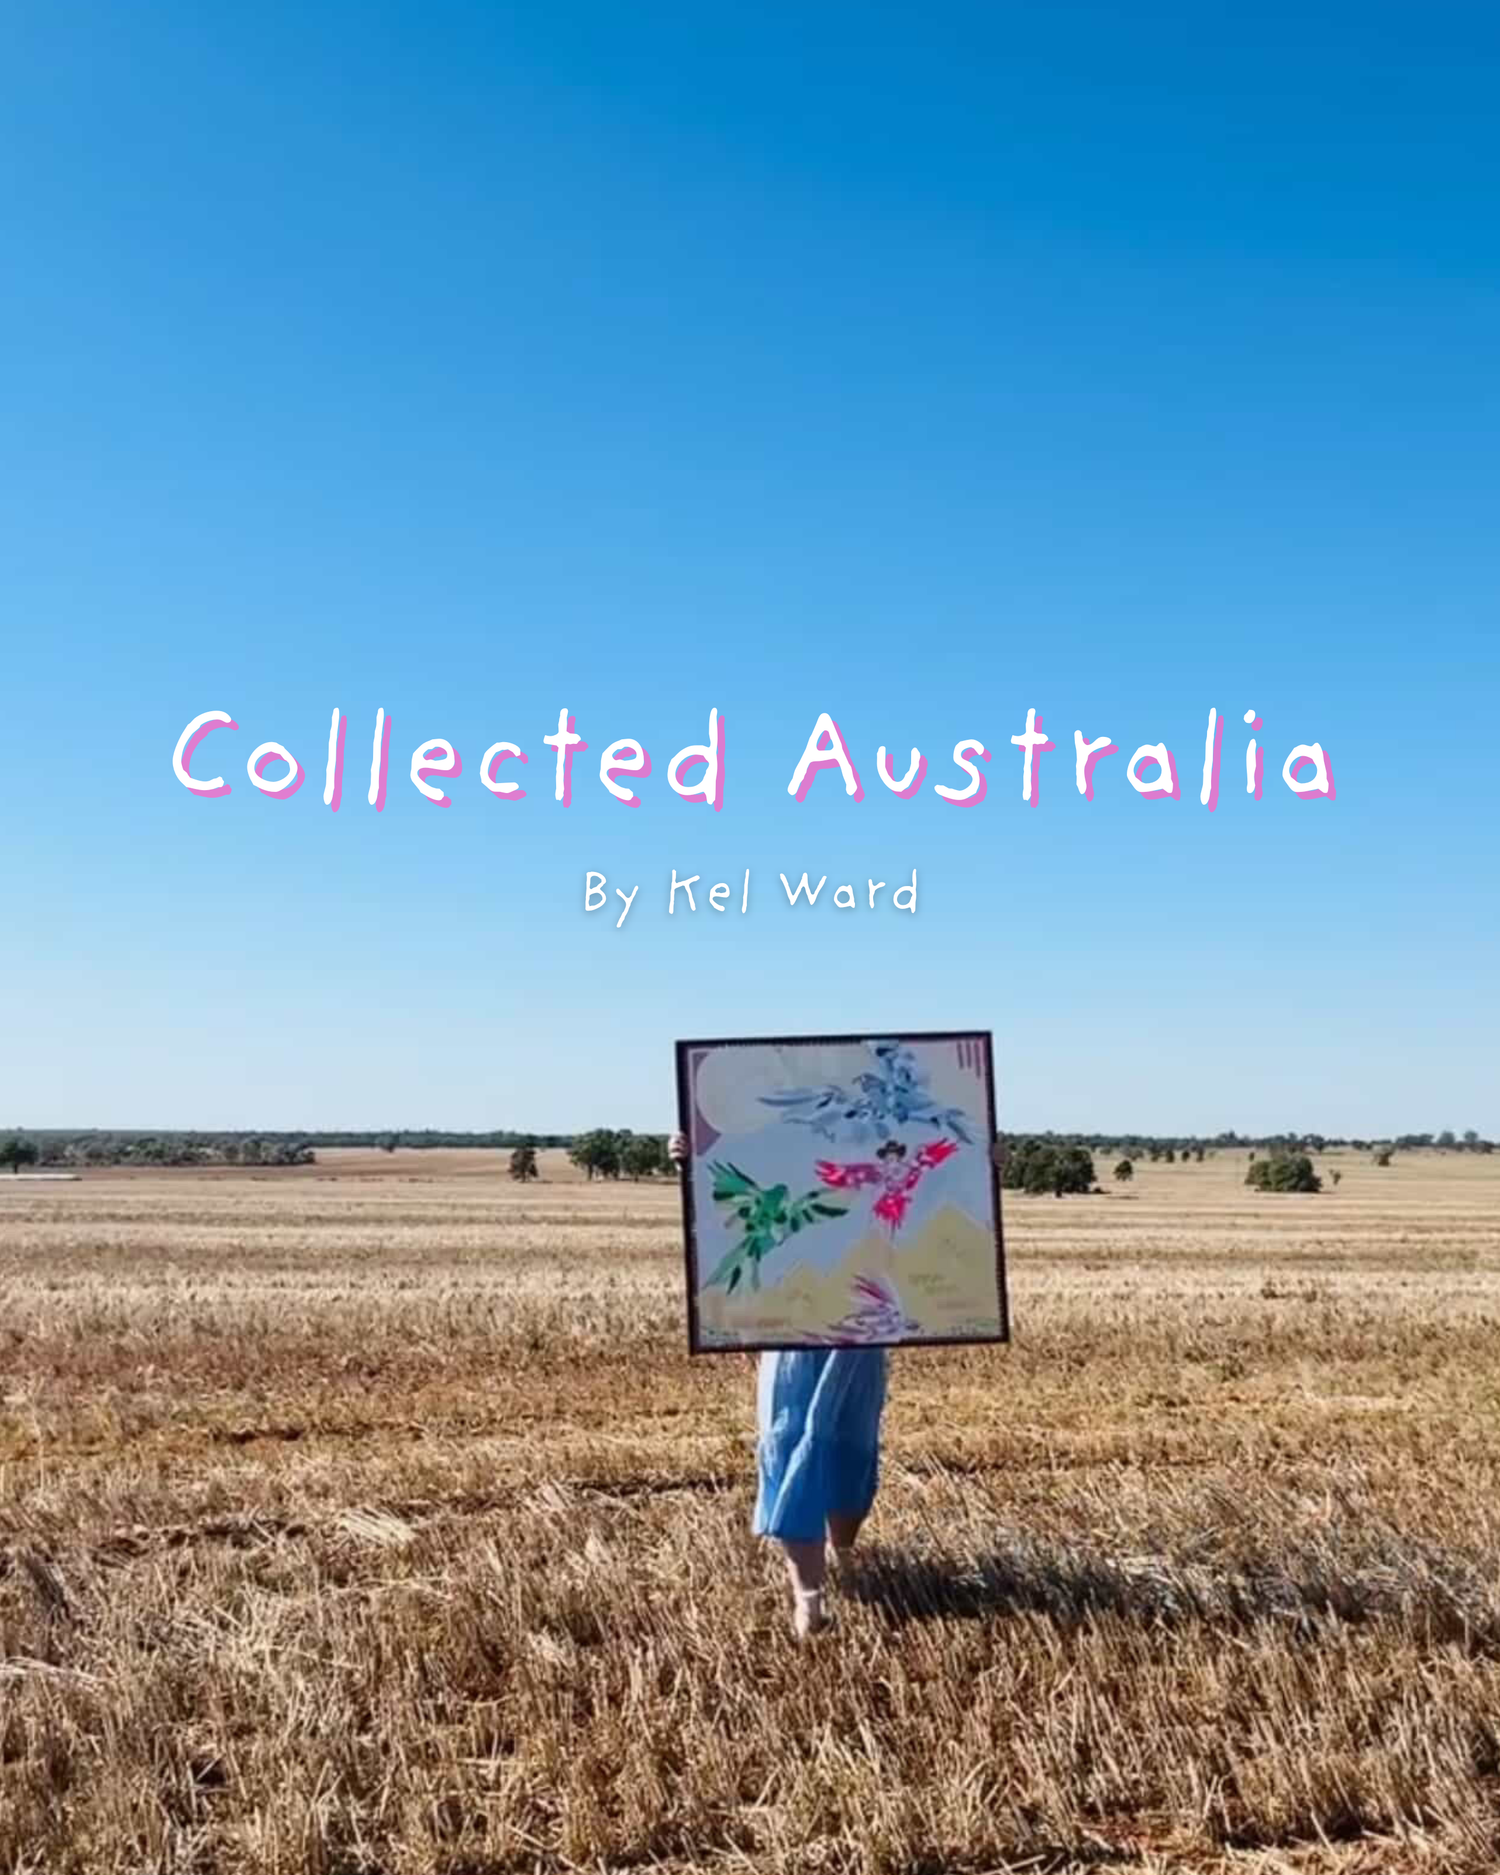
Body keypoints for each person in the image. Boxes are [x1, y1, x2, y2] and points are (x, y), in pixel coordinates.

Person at [669, 1128, 1005, 1639]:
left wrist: (985, 1165)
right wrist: (691, 1164)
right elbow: (739, 1206)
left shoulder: (886, 1160)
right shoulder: (802, 1155)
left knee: (849, 1442)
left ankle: (841, 1558)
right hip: (791, 1317)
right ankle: (809, 1596)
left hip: (863, 1318)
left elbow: (939, 1199)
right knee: (789, 1439)